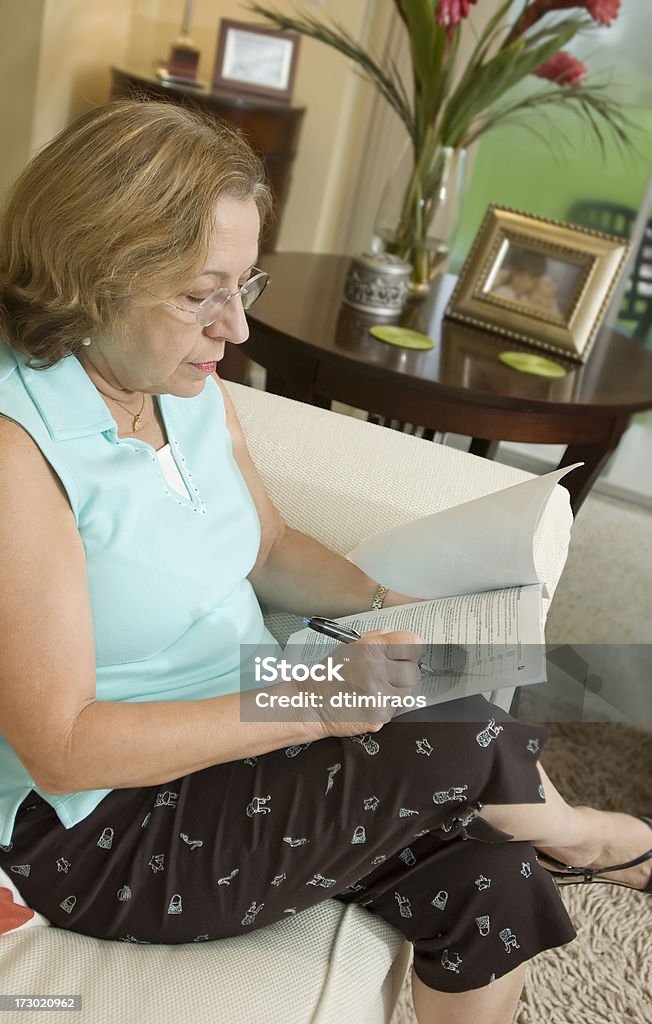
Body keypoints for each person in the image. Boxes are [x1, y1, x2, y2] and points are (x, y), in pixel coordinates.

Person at [0, 100, 649, 1024]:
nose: (236, 330)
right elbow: (62, 751)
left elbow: (264, 545)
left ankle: (548, 837)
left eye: (244, 286)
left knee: (488, 863)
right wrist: (307, 701)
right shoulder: (18, 452)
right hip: (105, 822)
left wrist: (397, 598)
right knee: (456, 733)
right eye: (200, 293)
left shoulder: (181, 382)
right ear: (95, 273)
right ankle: (589, 840)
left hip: (244, 703)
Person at [492, 248, 562, 316]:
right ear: (513, 272)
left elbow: (555, 312)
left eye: (530, 279)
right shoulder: (502, 291)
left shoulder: (541, 291)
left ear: (537, 281)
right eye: (519, 275)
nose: (521, 282)